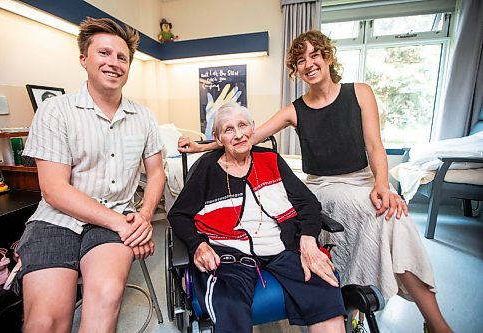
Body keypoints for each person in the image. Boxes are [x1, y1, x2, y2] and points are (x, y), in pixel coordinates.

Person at [178, 30, 452, 333]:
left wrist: (383, 185)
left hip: (364, 180)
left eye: (314, 55)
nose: (308, 64)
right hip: (326, 186)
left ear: (328, 57)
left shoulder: (359, 92)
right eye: (300, 60)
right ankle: (404, 310)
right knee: (387, 218)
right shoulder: (294, 110)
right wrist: (203, 146)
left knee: (396, 219)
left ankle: (433, 321)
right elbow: (246, 137)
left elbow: (375, 146)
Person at [15, 17, 165, 333]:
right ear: (84, 59)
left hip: (115, 220)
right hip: (57, 220)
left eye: (121, 57)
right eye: (104, 53)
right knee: (45, 321)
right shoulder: (56, 110)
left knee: (106, 299)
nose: (113, 63)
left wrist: (144, 215)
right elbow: (54, 190)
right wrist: (123, 225)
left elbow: (156, 173)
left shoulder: (144, 117)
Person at [169, 102, 346, 333]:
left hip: (283, 248)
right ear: (218, 138)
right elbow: (178, 214)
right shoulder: (207, 169)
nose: (239, 134)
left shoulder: (271, 159)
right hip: (230, 254)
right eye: (228, 129)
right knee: (229, 303)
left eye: (243, 125)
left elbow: (307, 203)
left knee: (325, 287)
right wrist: (197, 244)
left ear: (253, 128)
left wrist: (308, 239)